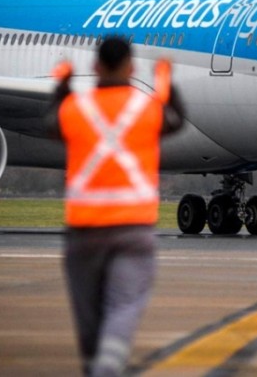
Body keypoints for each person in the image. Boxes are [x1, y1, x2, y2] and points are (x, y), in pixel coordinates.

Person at [46, 37, 184, 376]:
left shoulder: (76, 107)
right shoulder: (145, 108)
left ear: (94, 67)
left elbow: (51, 122)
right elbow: (176, 117)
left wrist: (62, 84)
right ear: (131, 67)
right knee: (123, 306)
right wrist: (165, 78)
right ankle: (107, 367)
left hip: (83, 233)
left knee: (88, 315)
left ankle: (97, 366)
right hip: (133, 230)